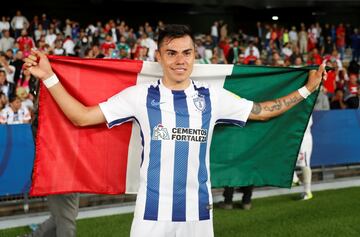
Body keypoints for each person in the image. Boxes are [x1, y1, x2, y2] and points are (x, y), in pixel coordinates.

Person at [24, 24, 325, 237]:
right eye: (172, 53)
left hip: (198, 213)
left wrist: (307, 91)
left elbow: (262, 112)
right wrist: (50, 78)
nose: (180, 60)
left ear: (195, 55)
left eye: (186, 52)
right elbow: (81, 117)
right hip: (150, 214)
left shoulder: (213, 97)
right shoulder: (140, 95)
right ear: (160, 57)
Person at [292, 116, 314, 200]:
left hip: (304, 137)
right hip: (294, 137)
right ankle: (295, 179)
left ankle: (307, 191)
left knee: (304, 163)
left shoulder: (306, 105)